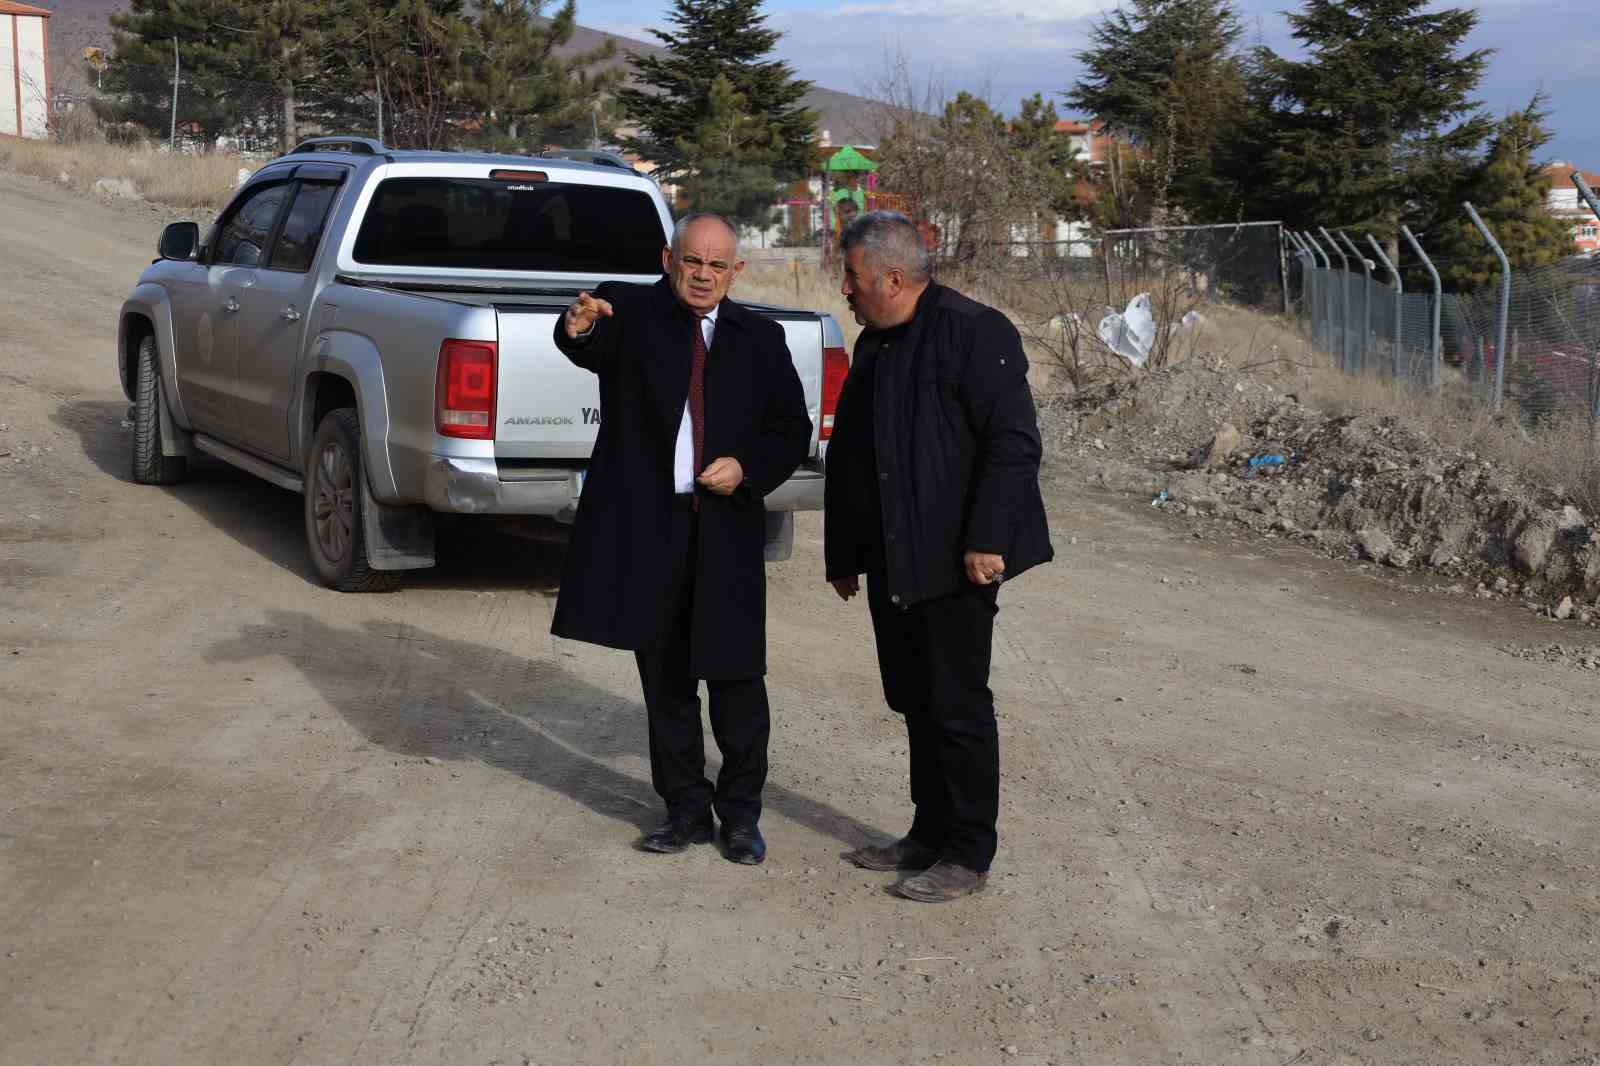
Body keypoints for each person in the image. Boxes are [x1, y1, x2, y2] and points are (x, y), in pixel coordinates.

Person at [552, 213, 811, 865]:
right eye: (691, 261)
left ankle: (742, 816)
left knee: (735, 679)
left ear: (737, 272)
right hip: (651, 527)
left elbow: (790, 429)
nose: (702, 275)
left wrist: (746, 466)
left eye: (717, 266)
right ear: (670, 259)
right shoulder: (633, 314)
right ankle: (685, 810)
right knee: (665, 678)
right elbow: (589, 338)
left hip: (724, 531)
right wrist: (573, 329)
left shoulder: (761, 338)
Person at [824, 210, 1052, 902]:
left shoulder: (975, 334)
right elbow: (853, 460)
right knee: (914, 700)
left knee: (956, 705)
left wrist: (988, 540)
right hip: (894, 556)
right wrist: (843, 552)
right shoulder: (874, 345)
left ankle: (967, 852)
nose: (846, 290)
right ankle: (928, 833)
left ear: (892, 279)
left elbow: (1013, 445)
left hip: (957, 560)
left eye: (854, 278)